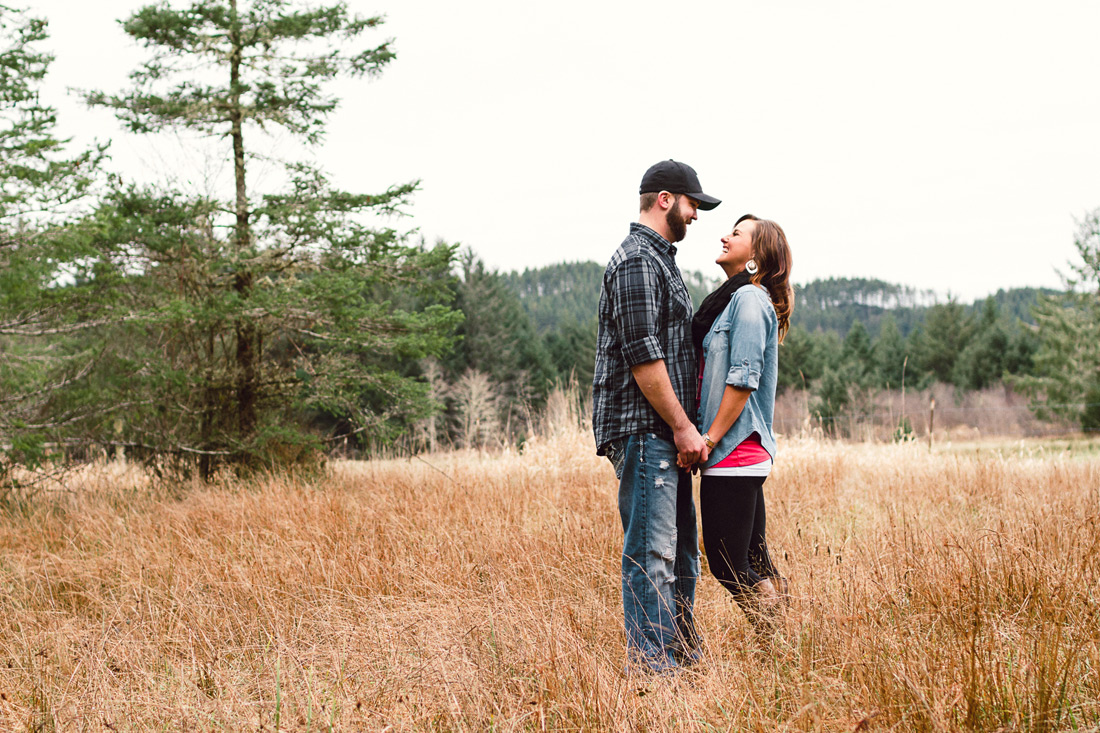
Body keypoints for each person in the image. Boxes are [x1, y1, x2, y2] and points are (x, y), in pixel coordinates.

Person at [592, 159, 721, 673]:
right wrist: (683, 425)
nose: (696, 215)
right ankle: (652, 672)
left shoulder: (659, 260)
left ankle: (683, 663)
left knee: (682, 556)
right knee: (653, 556)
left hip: (666, 435)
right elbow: (644, 358)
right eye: (693, 204)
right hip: (648, 433)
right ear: (665, 199)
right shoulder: (636, 261)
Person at [691, 213, 793, 635]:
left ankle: (775, 641)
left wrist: (709, 438)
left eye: (736, 233)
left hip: (733, 448)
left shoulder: (749, 300)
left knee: (725, 561)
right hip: (739, 450)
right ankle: (786, 641)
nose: (724, 236)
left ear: (757, 255)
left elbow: (744, 376)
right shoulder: (736, 300)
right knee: (753, 559)